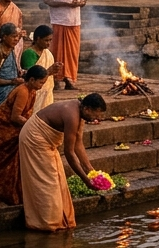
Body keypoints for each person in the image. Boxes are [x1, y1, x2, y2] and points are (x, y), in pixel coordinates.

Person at [18, 93, 106, 232]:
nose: (97, 118)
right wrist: (85, 180)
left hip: (47, 141)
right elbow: (69, 153)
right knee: (48, 181)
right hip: (34, 139)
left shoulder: (80, 112)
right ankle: (46, 223)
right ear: (87, 109)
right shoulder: (72, 115)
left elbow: (78, 144)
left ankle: (62, 220)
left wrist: (91, 171)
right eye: (96, 114)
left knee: (58, 178)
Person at [0, 65, 47, 206]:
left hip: (15, 127)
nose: (42, 86)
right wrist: (34, 125)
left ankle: (15, 193)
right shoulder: (23, 91)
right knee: (2, 163)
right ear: (31, 80)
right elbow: (15, 117)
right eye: (41, 82)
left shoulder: (32, 91)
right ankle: (0, 194)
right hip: (3, 128)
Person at [42, 0, 86, 90]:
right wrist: (66, 4)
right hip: (59, 21)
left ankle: (69, 79)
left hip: (74, 22)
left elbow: (84, 0)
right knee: (57, 51)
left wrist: (79, 3)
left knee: (72, 53)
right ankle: (55, 79)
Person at [0, 22, 24, 116]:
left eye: (18, 37)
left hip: (10, 93)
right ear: (4, 37)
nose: (17, 39)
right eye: (14, 36)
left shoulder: (11, 49)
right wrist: (11, 82)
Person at [20, 25, 62, 111]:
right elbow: (30, 76)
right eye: (46, 40)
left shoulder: (47, 53)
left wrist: (55, 70)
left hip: (47, 92)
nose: (49, 43)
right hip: (34, 93)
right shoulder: (29, 53)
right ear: (38, 39)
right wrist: (49, 71)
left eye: (50, 40)